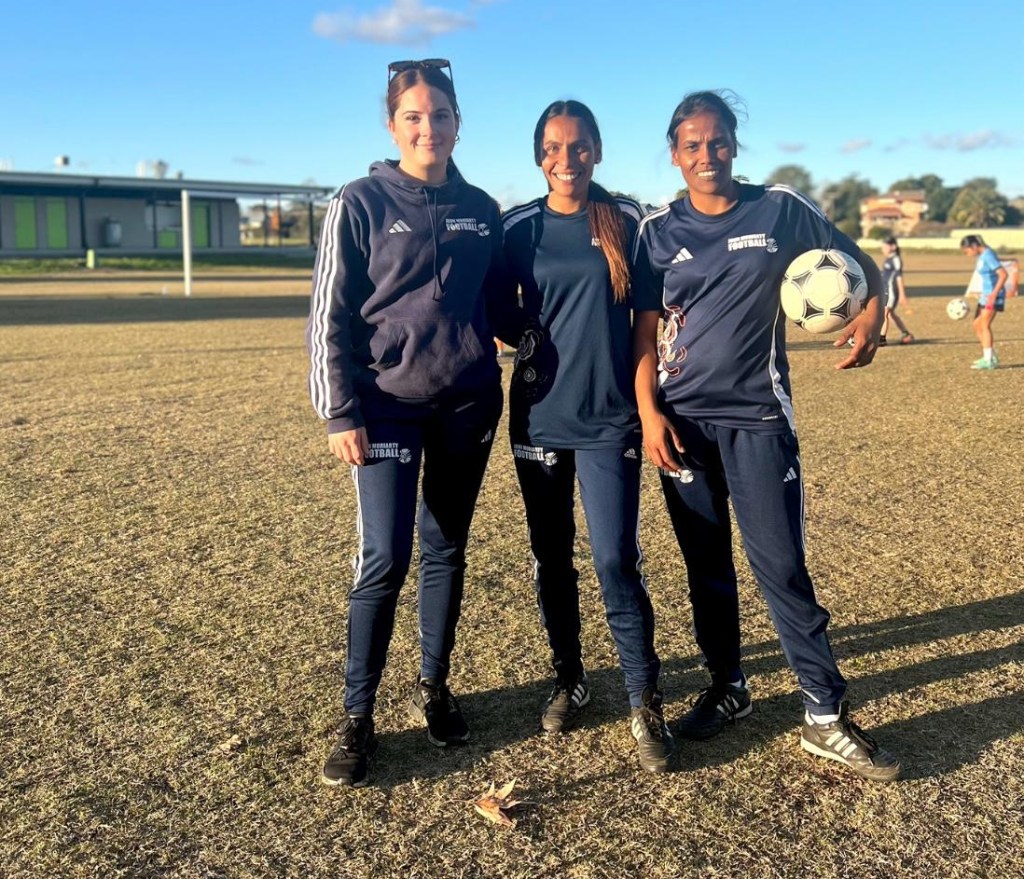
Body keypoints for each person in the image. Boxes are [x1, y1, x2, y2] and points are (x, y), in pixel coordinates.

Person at [631, 90, 901, 782]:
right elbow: (643, 335)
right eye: (692, 144)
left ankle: (824, 713)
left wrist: (871, 315)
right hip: (681, 424)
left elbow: (859, 264)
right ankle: (728, 685)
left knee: (780, 565)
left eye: (718, 141)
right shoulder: (657, 231)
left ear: (734, 145)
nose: (707, 155)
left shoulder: (779, 209)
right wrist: (651, 414)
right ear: (674, 153)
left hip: (757, 418)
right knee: (705, 565)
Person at [306, 58, 506, 787]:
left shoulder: (481, 207)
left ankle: (435, 686)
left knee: (445, 546)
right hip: (385, 405)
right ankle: (357, 715)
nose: (429, 128)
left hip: (467, 403)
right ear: (391, 126)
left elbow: (502, 300)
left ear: (458, 122)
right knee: (385, 558)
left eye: (441, 115)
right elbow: (327, 314)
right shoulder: (357, 201)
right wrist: (340, 411)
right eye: (414, 117)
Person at [499, 100, 672, 773]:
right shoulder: (518, 227)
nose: (564, 159)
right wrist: (528, 336)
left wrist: (648, 408)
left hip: (610, 419)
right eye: (552, 147)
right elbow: (493, 305)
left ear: (597, 150)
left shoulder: (625, 219)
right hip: (539, 417)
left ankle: (643, 697)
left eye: (577, 146)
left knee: (614, 560)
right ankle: (569, 677)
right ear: (537, 155)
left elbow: (647, 320)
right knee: (551, 558)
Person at [960, 234, 1007, 369]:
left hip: (993, 296)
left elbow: (1003, 274)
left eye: (967, 251)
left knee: (984, 325)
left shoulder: (988, 255)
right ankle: (990, 355)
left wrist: (993, 294)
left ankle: (989, 360)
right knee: (977, 324)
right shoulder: (982, 256)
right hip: (985, 295)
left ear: (974, 246)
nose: (967, 254)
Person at [879, 236, 913, 345]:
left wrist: (902, 295)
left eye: (885, 246)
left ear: (893, 247)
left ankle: (882, 338)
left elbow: (899, 277)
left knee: (885, 312)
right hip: (886, 290)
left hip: (892, 291)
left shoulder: (896, 259)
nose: (883, 249)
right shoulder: (889, 259)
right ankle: (905, 333)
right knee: (890, 314)